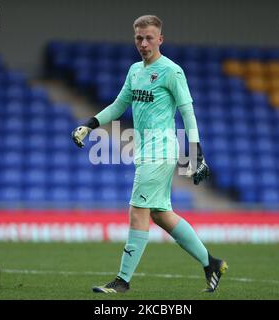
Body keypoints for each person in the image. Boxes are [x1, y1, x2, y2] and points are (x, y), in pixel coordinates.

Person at [72, 15, 228, 293]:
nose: (143, 43)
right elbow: (119, 105)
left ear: (160, 39)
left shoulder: (171, 71)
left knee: (137, 210)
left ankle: (122, 280)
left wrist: (196, 152)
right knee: (160, 214)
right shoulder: (135, 71)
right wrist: (90, 123)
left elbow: (187, 111)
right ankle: (211, 263)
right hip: (144, 151)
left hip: (162, 150)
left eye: (149, 38)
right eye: (138, 38)